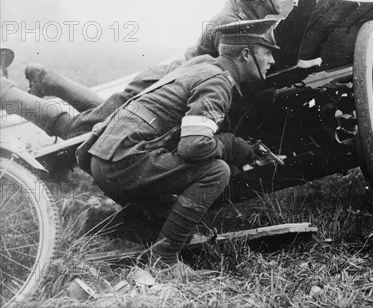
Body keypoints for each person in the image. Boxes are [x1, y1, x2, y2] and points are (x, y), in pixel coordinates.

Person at [0, 0, 288, 139]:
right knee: (77, 128)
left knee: (105, 116)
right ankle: (8, 93)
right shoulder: (230, 23)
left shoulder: (244, 16)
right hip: (162, 85)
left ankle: (50, 81)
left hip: (169, 83)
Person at [88, 19, 279, 265]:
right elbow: (193, 145)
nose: (272, 60)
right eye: (267, 53)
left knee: (180, 227)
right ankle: (164, 259)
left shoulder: (201, 65)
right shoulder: (218, 82)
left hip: (105, 157)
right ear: (245, 54)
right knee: (217, 172)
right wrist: (229, 146)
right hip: (125, 162)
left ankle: (93, 220)